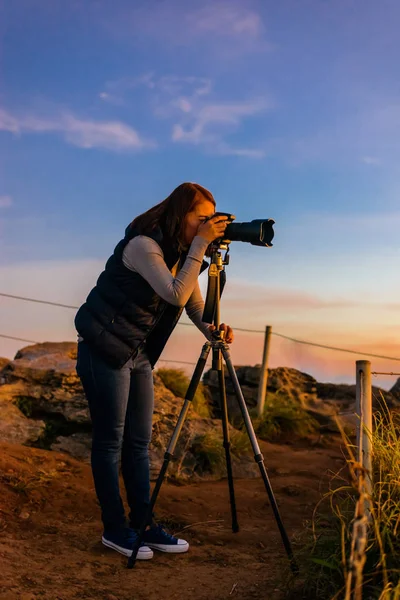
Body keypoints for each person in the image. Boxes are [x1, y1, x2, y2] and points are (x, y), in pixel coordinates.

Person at [75, 182, 234, 561]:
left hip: (140, 355)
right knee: (110, 442)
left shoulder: (182, 252)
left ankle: (143, 525)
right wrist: (199, 248)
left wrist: (213, 328)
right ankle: (115, 529)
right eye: (202, 219)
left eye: (211, 219)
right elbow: (174, 293)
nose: (207, 225)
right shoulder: (144, 246)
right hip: (104, 349)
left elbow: (192, 303)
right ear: (181, 215)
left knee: (139, 444)